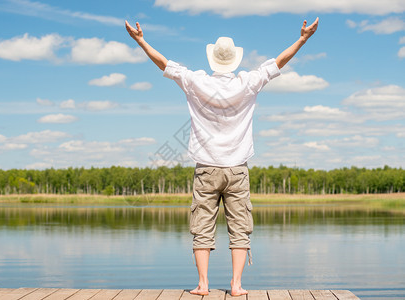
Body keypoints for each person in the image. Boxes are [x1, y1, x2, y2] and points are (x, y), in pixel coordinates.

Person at [125, 18, 319, 296]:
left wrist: (140, 40)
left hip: (206, 168)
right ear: (234, 60)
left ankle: (203, 285)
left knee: (202, 226)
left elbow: (164, 64)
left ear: (213, 59)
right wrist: (303, 38)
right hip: (237, 168)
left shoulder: (195, 81)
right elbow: (279, 62)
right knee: (240, 227)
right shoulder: (248, 82)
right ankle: (236, 285)